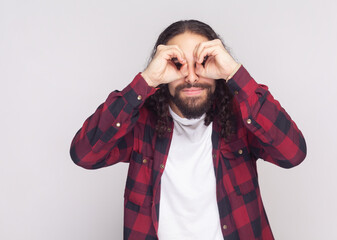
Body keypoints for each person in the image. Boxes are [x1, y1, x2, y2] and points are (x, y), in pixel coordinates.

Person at [70, 19, 307, 240]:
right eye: (178, 64)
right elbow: (84, 154)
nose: (191, 77)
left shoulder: (241, 118)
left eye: (202, 63)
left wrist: (234, 73)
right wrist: (145, 81)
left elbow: (293, 153)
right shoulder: (140, 123)